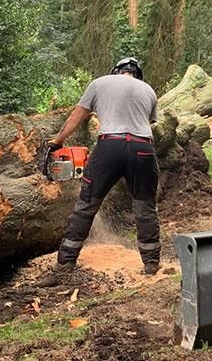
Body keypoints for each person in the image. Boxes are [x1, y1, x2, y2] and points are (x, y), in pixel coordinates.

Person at [45, 57, 161, 276]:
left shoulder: (99, 83)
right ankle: (151, 264)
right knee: (145, 208)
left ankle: (64, 265)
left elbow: (77, 116)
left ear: (116, 71)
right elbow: (148, 122)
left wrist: (58, 140)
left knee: (86, 206)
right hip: (143, 148)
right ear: (136, 74)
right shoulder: (148, 90)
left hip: (110, 146)